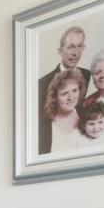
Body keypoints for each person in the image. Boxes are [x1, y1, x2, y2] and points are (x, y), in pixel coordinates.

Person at [37, 26, 89, 155]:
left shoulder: (87, 75)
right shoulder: (43, 83)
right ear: (60, 51)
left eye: (79, 46)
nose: (75, 53)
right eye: (71, 47)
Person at [44, 71, 90, 154]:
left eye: (74, 90)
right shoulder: (44, 123)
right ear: (55, 97)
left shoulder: (87, 118)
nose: (70, 97)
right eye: (64, 93)